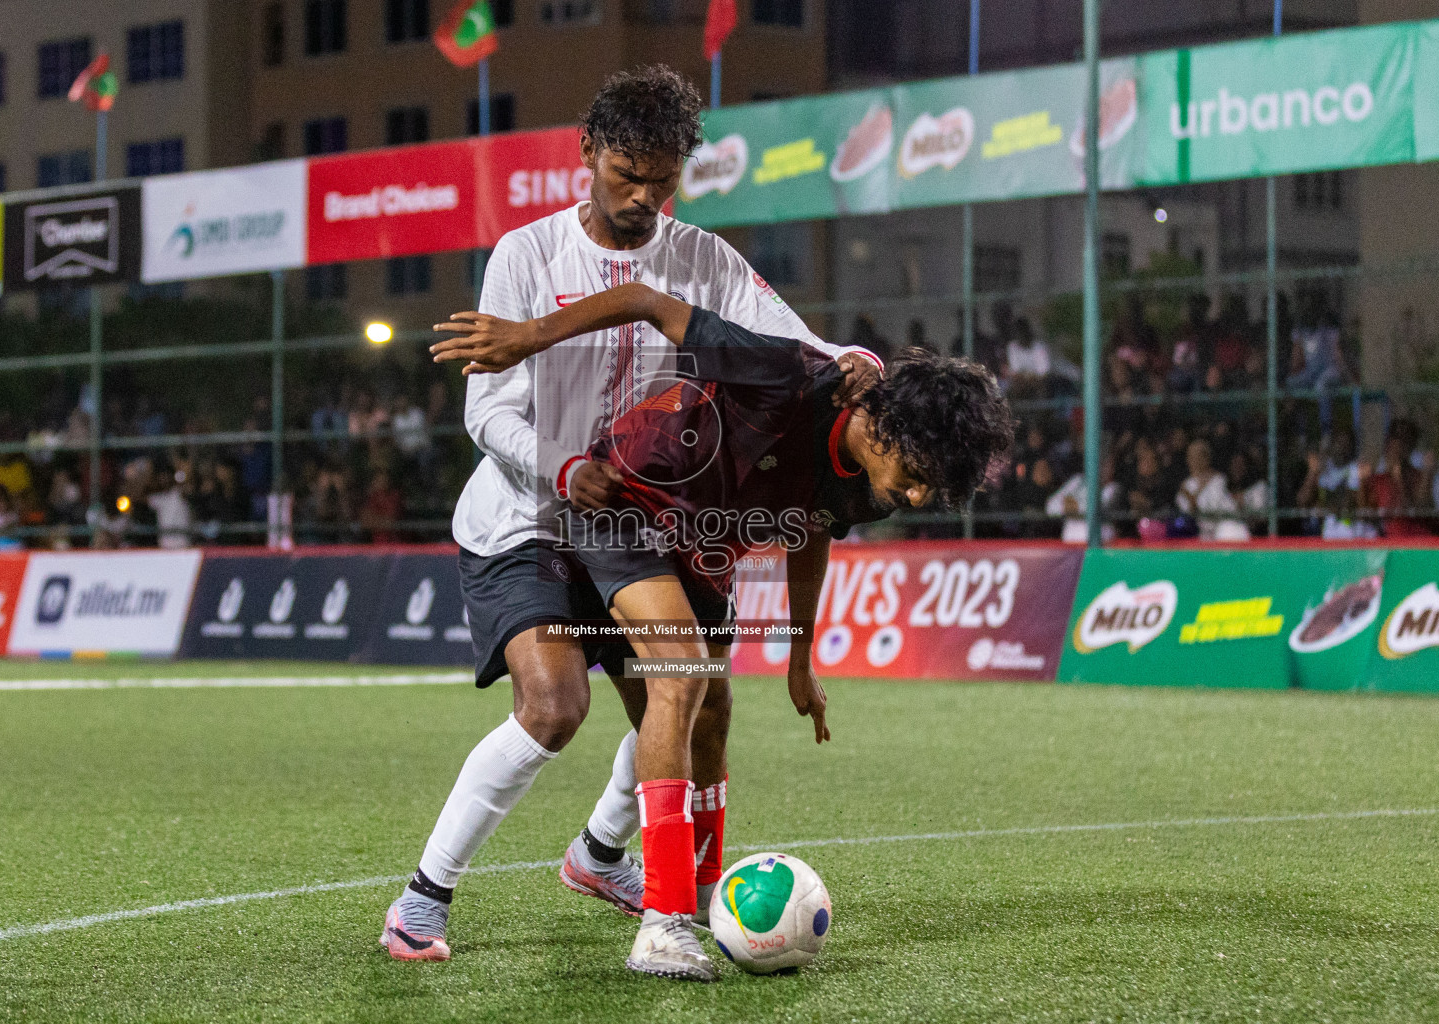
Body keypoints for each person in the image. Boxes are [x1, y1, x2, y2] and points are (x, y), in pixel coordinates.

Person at [381, 65, 883, 970]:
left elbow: (793, 338)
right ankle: (423, 896)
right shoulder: (526, 257)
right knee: (556, 704)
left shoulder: (704, 259)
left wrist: (855, 358)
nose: (646, 195)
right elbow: (485, 411)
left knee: (692, 693)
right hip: (529, 516)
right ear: (587, 154)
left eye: (663, 178)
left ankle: (601, 858)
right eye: (628, 174)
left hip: (630, 525)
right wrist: (565, 466)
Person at [432, 280, 1013, 980]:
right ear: (884, 427)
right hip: (624, 500)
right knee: (679, 677)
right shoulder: (792, 375)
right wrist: (527, 337)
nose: (918, 495)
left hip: (700, 546)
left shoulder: (873, 483)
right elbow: (647, 301)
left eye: (934, 486)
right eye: (918, 474)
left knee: (712, 709)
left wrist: (802, 659)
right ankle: (662, 923)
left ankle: (683, 888)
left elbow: (813, 534)